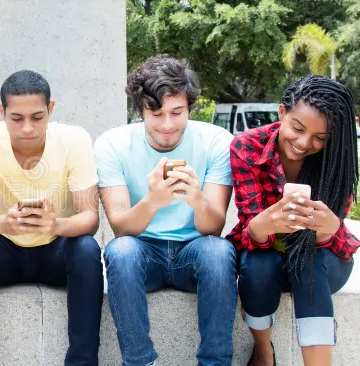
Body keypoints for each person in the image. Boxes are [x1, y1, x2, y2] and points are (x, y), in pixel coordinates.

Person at [94, 55, 236, 366]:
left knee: (219, 251)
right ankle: (140, 362)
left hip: (194, 250)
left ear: (190, 107)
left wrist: (197, 198)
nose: (168, 125)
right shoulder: (112, 145)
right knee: (121, 251)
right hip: (143, 251)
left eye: (177, 112)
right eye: (156, 114)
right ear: (140, 111)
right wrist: (153, 201)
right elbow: (120, 228)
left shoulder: (216, 141)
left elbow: (213, 229)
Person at [0, 70, 104, 365]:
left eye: (37, 117)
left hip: (55, 250)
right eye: (16, 118)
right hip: (3, 250)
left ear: (50, 109)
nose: (27, 128)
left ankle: (82, 362)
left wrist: (56, 224)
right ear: (2, 112)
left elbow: (90, 218)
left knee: (87, 249)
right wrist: (2, 223)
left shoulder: (74, 139)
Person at [227, 74, 360, 366]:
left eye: (320, 138)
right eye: (297, 128)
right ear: (282, 112)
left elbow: (334, 236)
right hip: (265, 254)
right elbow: (251, 232)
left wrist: (327, 230)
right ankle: (263, 349)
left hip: (323, 258)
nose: (303, 143)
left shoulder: (338, 158)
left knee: (308, 263)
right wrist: (266, 224)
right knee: (258, 266)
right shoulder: (246, 147)